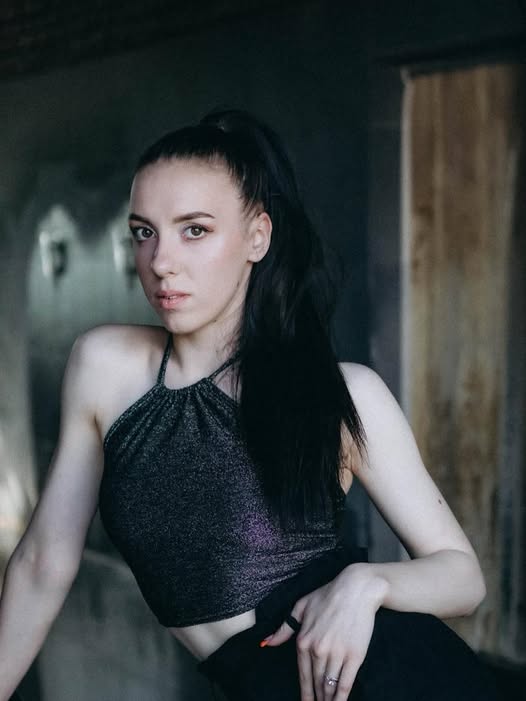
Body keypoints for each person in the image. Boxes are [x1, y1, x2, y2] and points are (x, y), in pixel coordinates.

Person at [0, 110, 498, 701]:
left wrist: (366, 584)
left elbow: (462, 577)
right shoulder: (103, 366)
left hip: (394, 679)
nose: (161, 262)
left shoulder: (342, 393)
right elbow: (44, 561)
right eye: (143, 232)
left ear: (257, 237)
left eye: (194, 230)